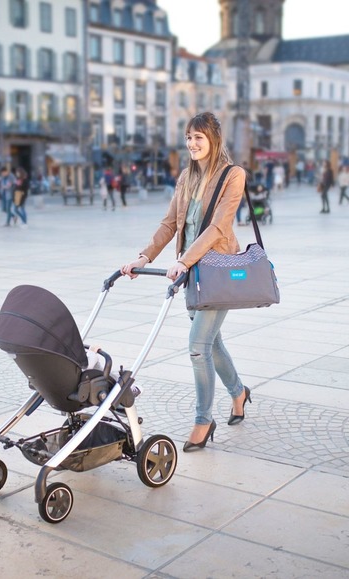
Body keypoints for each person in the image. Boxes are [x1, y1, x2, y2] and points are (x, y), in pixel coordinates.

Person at [120, 112, 250, 453]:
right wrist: (144, 257)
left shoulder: (233, 176)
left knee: (197, 346)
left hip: (217, 271)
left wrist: (182, 261)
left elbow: (218, 227)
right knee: (211, 342)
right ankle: (239, 393)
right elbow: (169, 225)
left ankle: (203, 420)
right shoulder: (186, 177)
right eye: (189, 137)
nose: (192, 144)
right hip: (190, 275)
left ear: (214, 140)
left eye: (199, 138)